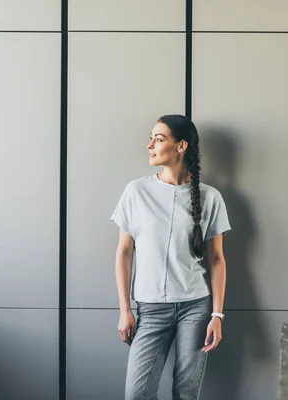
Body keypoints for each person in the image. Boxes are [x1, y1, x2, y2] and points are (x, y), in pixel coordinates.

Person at [110, 114, 231, 400]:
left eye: (159, 139)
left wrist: (217, 314)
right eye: (150, 138)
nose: (150, 145)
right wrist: (124, 309)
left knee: (186, 393)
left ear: (181, 146)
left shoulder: (210, 197)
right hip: (150, 309)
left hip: (196, 307)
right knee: (137, 394)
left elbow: (217, 260)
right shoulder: (136, 191)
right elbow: (124, 252)